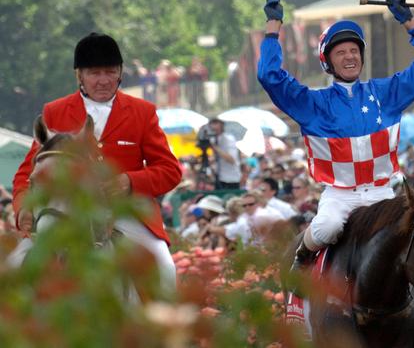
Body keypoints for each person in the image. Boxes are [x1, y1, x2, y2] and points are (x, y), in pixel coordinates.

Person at [258, 0, 414, 269]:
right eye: (341, 52)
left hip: (383, 192)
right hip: (340, 196)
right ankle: (300, 262)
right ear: (328, 62)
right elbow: (269, 76)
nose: (350, 56)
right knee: (328, 228)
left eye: (354, 50)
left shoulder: (386, 93)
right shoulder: (312, 104)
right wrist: (273, 29)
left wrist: (411, 23)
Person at [11, 32, 182, 292]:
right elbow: (27, 173)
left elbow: (170, 170)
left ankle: (165, 330)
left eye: (109, 72)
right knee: (13, 267)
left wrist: (130, 181)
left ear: (120, 73)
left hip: (126, 213)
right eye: (94, 73)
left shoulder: (142, 112)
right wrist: (24, 207)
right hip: (66, 212)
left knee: (165, 268)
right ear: (79, 75)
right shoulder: (55, 111)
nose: (103, 81)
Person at [197, 118, 241, 190]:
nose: (213, 126)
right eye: (211, 123)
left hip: (231, 180)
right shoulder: (213, 139)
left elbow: (232, 159)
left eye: (215, 123)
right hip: (219, 178)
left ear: (222, 124)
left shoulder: (228, 139)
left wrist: (215, 147)